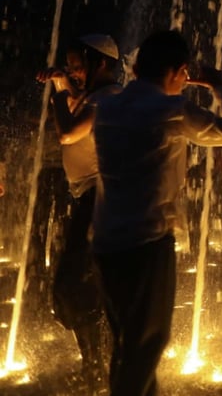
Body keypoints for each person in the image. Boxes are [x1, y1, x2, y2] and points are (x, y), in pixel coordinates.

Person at [91, 29, 222, 396]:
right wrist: (219, 87)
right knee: (147, 343)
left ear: (135, 69)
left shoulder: (109, 105)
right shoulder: (170, 110)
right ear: (179, 71)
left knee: (126, 344)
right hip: (147, 244)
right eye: (184, 75)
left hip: (104, 243)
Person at [36, 34, 123, 393]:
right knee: (85, 285)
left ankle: (99, 367)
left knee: (73, 285)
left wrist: (59, 90)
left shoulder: (110, 97)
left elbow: (69, 134)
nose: (74, 73)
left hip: (101, 198)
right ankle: (99, 365)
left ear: (100, 63)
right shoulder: (93, 97)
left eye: (77, 67)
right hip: (92, 198)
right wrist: (64, 85)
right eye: (70, 67)